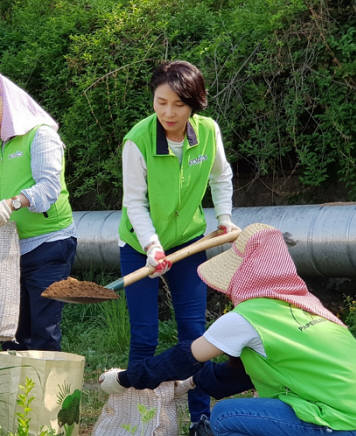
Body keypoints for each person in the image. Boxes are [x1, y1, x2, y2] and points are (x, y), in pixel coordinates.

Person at [99, 223, 356, 435]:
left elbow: (183, 357)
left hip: (337, 421)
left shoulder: (249, 317)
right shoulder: (309, 307)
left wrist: (124, 379)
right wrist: (190, 382)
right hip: (344, 413)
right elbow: (239, 375)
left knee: (224, 416)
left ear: (244, 272)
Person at [116, 60, 238, 431]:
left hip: (188, 243)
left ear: (195, 104)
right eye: (160, 102)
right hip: (139, 246)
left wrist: (224, 218)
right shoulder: (138, 140)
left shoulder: (207, 131)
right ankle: (138, 418)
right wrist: (152, 247)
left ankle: (200, 417)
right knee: (145, 335)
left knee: (194, 335)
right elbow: (134, 201)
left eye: (178, 105)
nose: (168, 112)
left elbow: (222, 176)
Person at [0, 70, 77, 351]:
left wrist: (13, 203)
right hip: (9, 249)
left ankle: (46, 394)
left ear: (8, 110)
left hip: (48, 245)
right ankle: (13, 393)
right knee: (10, 328)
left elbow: (49, 187)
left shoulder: (41, 136)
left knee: (43, 329)